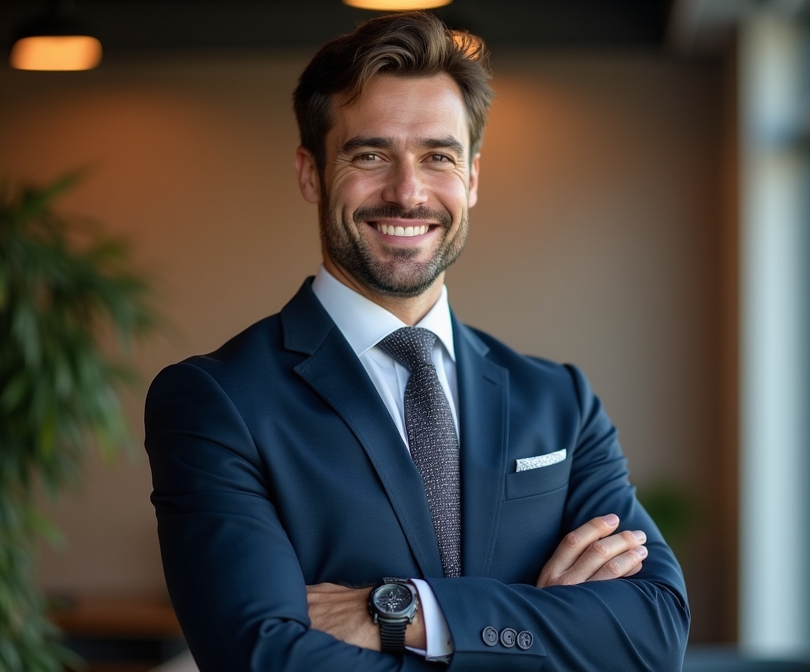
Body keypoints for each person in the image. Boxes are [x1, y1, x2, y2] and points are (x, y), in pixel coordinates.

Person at [143, 10, 689, 671]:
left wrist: (406, 610)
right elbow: (262, 659)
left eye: (438, 157)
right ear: (311, 173)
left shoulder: (559, 401)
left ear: (472, 178)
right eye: (370, 155)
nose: (407, 192)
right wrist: (542, 634)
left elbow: (654, 630)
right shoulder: (216, 401)